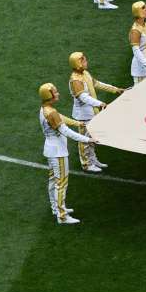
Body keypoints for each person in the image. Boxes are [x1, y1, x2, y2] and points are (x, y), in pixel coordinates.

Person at [38, 82, 93, 224]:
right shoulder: (51, 113)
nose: (58, 93)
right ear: (49, 95)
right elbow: (66, 131)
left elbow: (61, 118)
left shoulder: (46, 109)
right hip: (58, 153)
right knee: (61, 183)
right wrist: (87, 139)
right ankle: (61, 215)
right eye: (55, 92)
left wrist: (78, 123)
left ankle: (56, 208)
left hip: (51, 150)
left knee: (53, 181)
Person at [68, 51, 123, 173]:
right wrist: (100, 103)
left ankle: (93, 159)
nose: (86, 62)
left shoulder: (85, 73)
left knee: (92, 138)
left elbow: (97, 84)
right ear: (77, 64)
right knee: (84, 140)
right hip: (83, 115)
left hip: (92, 112)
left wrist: (115, 90)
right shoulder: (75, 80)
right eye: (83, 60)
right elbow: (83, 97)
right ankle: (86, 164)